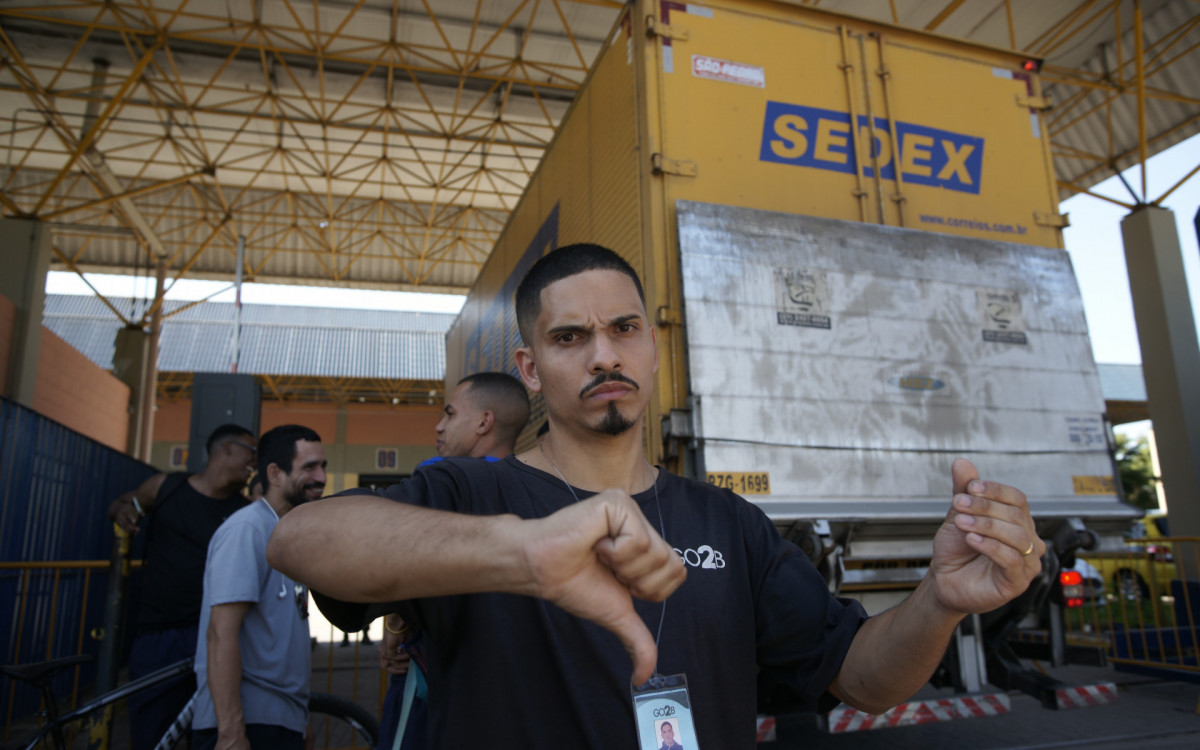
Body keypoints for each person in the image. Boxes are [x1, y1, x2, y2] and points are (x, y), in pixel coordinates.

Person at [268, 244, 1046, 748]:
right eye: (570, 338)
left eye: (624, 329)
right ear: (530, 368)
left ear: (652, 346)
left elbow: (863, 678)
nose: (603, 355)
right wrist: (521, 551)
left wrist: (939, 601)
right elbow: (298, 540)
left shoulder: (730, 523)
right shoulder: (473, 490)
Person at [378, 370, 530, 750]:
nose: (439, 426)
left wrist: (394, 626)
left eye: (449, 413)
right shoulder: (532, 490)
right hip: (505, 690)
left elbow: (401, 564)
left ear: (483, 422)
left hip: (431, 682)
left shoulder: (442, 480)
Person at [107, 424, 256, 750]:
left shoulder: (244, 512)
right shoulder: (165, 487)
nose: (254, 462)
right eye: (251, 451)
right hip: (160, 635)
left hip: (218, 636)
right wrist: (120, 510)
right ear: (227, 448)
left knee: (213, 733)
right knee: (152, 735)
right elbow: (125, 503)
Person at [192, 425, 327, 750]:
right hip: (248, 726)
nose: (321, 478)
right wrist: (231, 732)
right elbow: (220, 633)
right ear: (274, 474)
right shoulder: (247, 530)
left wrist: (300, 719)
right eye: (309, 467)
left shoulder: (288, 534)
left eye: (323, 466)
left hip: (281, 721)